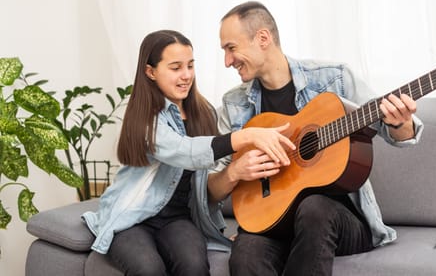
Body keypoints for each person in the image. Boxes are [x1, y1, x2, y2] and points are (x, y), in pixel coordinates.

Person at [207, 1, 424, 276]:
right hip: (273, 224)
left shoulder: (334, 79)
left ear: (263, 38)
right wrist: (235, 171)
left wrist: (400, 122)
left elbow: (395, 133)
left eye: (231, 48)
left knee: (314, 209)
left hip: (339, 222)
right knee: (245, 256)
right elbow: (210, 191)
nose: (227, 61)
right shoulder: (233, 104)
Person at [82, 29, 295, 276]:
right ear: (150, 72)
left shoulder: (205, 113)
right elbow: (186, 152)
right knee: (148, 268)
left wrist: (254, 227)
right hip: (133, 218)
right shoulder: (146, 120)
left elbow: (219, 172)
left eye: (190, 66)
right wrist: (246, 136)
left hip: (178, 219)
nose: (186, 76)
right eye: (175, 68)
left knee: (193, 266)